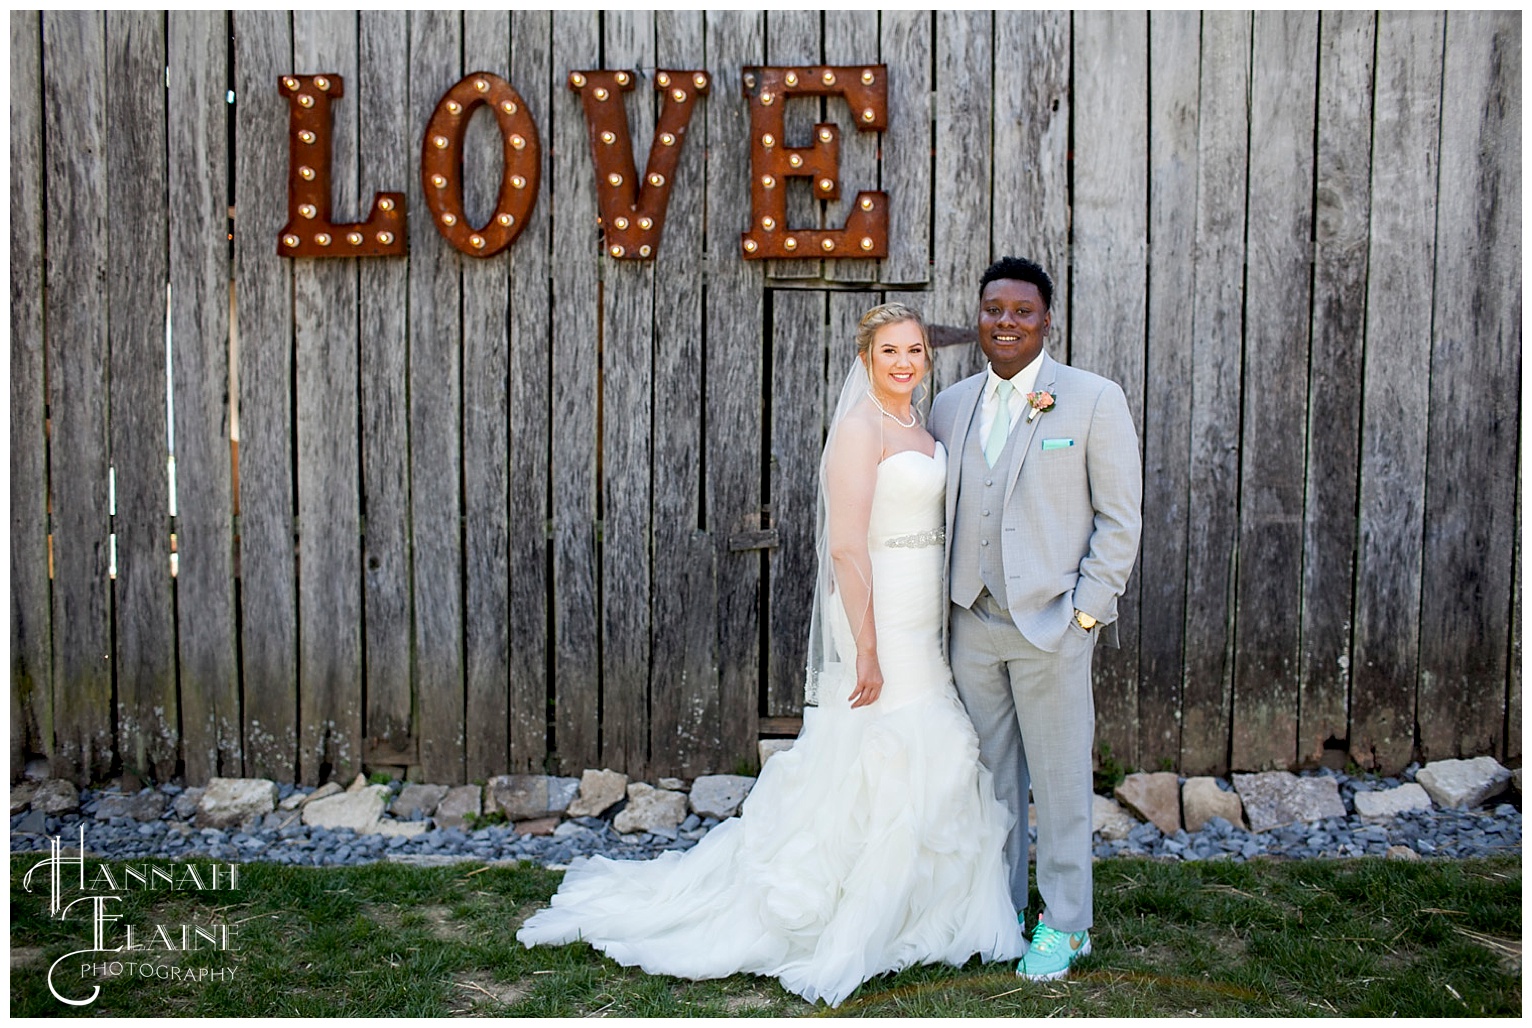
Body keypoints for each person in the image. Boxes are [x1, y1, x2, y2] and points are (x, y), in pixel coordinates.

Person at [516, 303, 1023, 1006]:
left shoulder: (920, 424)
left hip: (923, 603)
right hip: (878, 613)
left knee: (929, 740)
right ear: (865, 359)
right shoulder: (858, 429)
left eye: (913, 350)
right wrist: (867, 649)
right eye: (889, 352)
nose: (904, 362)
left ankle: (920, 904)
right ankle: (843, 907)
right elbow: (846, 546)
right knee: (890, 741)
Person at [930, 256, 1143, 981]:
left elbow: (1120, 519)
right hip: (971, 623)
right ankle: (1001, 911)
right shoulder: (951, 404)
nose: (1007, 322)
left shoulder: (1090, 399)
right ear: (980, 316)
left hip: (1053, 624)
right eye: (995, 310)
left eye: (1023, 311)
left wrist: (1087, 614)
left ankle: (1067, 923)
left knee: (1056, 782)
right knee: (989, 782)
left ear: (1046, 320)